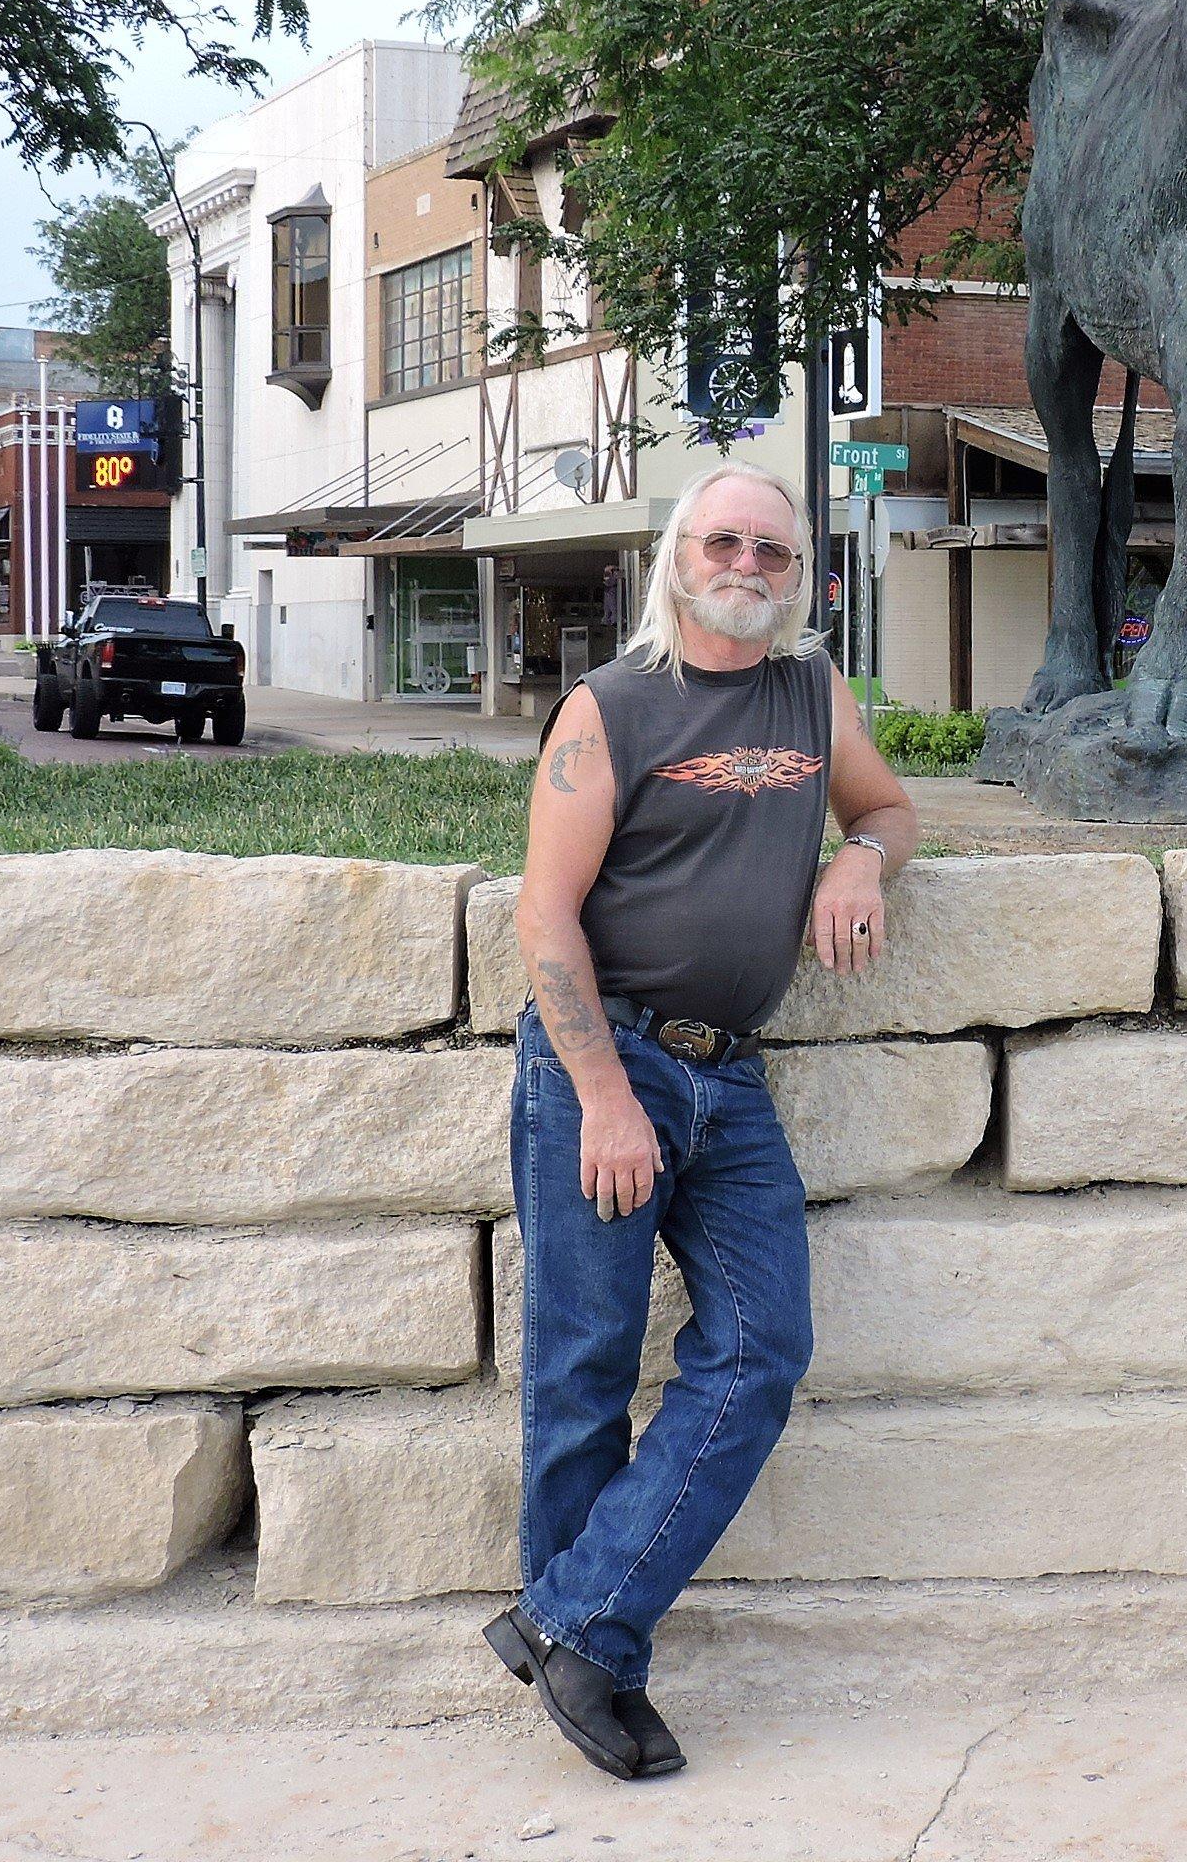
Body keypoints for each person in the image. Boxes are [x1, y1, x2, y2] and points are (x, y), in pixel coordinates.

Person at [485, 462, 917, 1781]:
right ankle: (597, 1661)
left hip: (730, 1080)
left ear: (801, 573)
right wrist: (605, 1099)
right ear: (678, 557)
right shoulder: (610, 707)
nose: (747, 565)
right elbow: (544, 916)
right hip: (604, 1064)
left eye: (773, 551)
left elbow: (890, 805)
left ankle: (572, 1623)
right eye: (724, 541)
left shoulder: (811, 691)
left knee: (761, 1348)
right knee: (585, 1370)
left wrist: (859, 858)